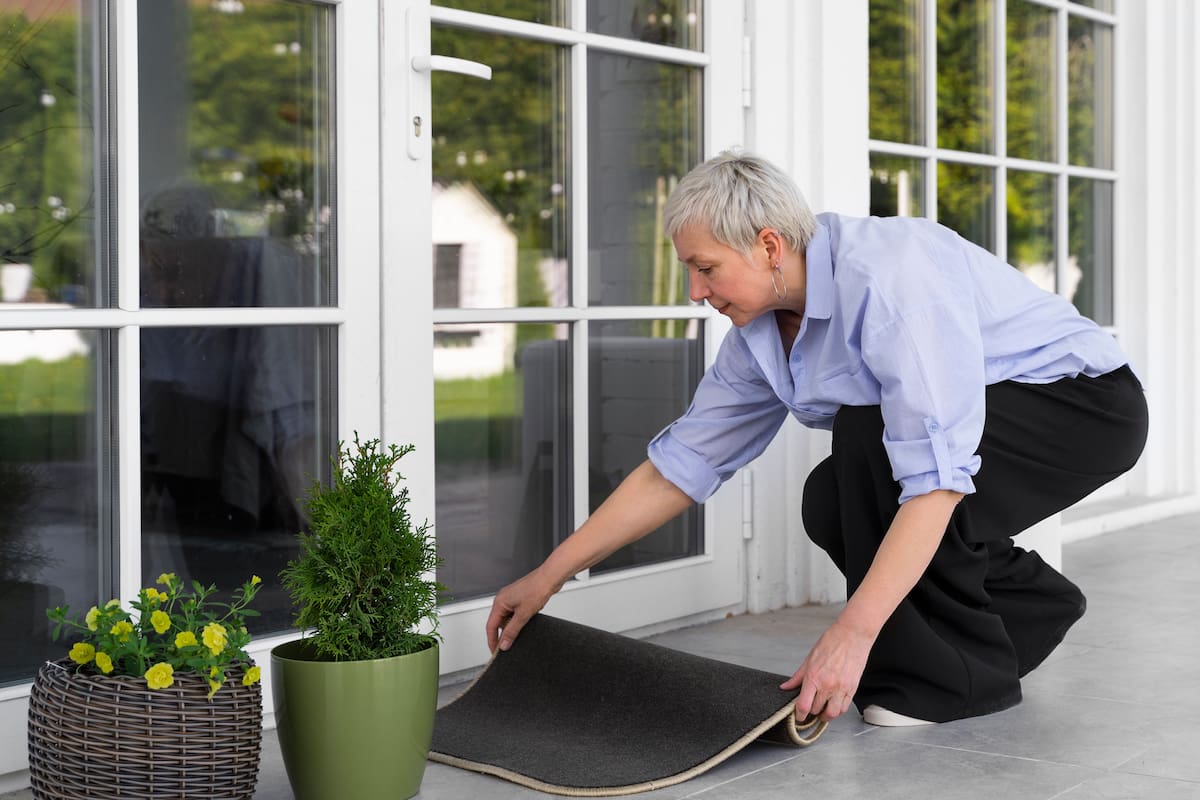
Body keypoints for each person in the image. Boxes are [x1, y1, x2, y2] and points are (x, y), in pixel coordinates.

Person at [485, 150, 1148, 727]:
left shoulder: (892, 278)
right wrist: (549, 576)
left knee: (869, 434)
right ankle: (1028, 605)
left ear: (769, 247)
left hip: (1083, 406)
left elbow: (936, 479)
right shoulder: (760, 335)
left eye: (706, 269)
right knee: (830, 498)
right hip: (995, 416)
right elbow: (677, 468)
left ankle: (958, 682)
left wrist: (851, 634)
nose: (694, 291)